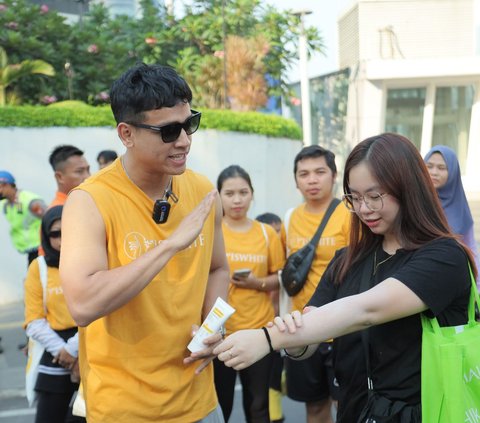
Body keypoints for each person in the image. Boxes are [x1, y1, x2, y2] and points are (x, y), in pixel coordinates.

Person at [214, 133, 477, 423]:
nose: (364, 209)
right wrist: (294, 337)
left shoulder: (443, 257)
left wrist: (267, 338)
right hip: (356, 410)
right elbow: (310, 333)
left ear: (409, 187)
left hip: (424, 412)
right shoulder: (347, 260)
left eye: (375, 196)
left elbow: (366, 310)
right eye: (354, 197)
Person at [60, 63, 230, 423]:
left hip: (199, 401)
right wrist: (169, 246)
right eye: (168, 131)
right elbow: (83, 304)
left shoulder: (202, 192)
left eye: (189, 124)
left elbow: (218, 268)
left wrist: (213, 326)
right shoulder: (89, 201)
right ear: (127, 134)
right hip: (123, 408)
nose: (183, 140)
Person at [282, 145, 351, 423]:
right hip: (304, 329)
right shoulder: (290, 218)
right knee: (314, 408)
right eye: (304, 173)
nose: (312, 179)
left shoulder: (350, 214)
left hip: (343, 328)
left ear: (334, 175)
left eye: (320, 172)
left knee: (345, 405)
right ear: (296, 180)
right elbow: (284, 273)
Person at [214, 165, 285, 423]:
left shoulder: (267, 234)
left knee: (258, 406)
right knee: (221, 405)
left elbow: (279, 278)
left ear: (252, 194)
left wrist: (255, 283)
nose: (237, 199)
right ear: (219, 195)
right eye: (229, 193)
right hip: (219, 334)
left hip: (258, 332)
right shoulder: (211, 231)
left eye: (243, 192)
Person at [24, 205, 85, 423]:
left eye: (67, 231)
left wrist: (73, 348)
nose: (61, 239)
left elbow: (101, 310)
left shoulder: (91, 261)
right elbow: (33, 320)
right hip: (55, 354)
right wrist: (63, 351)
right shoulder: (38, 268)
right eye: (55, 234)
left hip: (90, 348)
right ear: (46, 235)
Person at [424, 145, 479, 268]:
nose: (434, 172)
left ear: (453, 171)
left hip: (447, 272)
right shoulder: (414, 200)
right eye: (429, 166)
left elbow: (471, 249)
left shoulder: (459, 206)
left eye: (441, 168)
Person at [255, 212, 284, 423]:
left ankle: (275, 415)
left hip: (275, 329)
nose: (278, 237)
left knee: (271, 383)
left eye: (279, 232)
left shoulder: (281, 261)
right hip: (267, 327)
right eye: (274, 232)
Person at [0, 170, 46, 265]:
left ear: (6, 185)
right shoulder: (5, 204)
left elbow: (49, 218)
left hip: (42, 249)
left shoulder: (29, 201)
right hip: (30, 250)